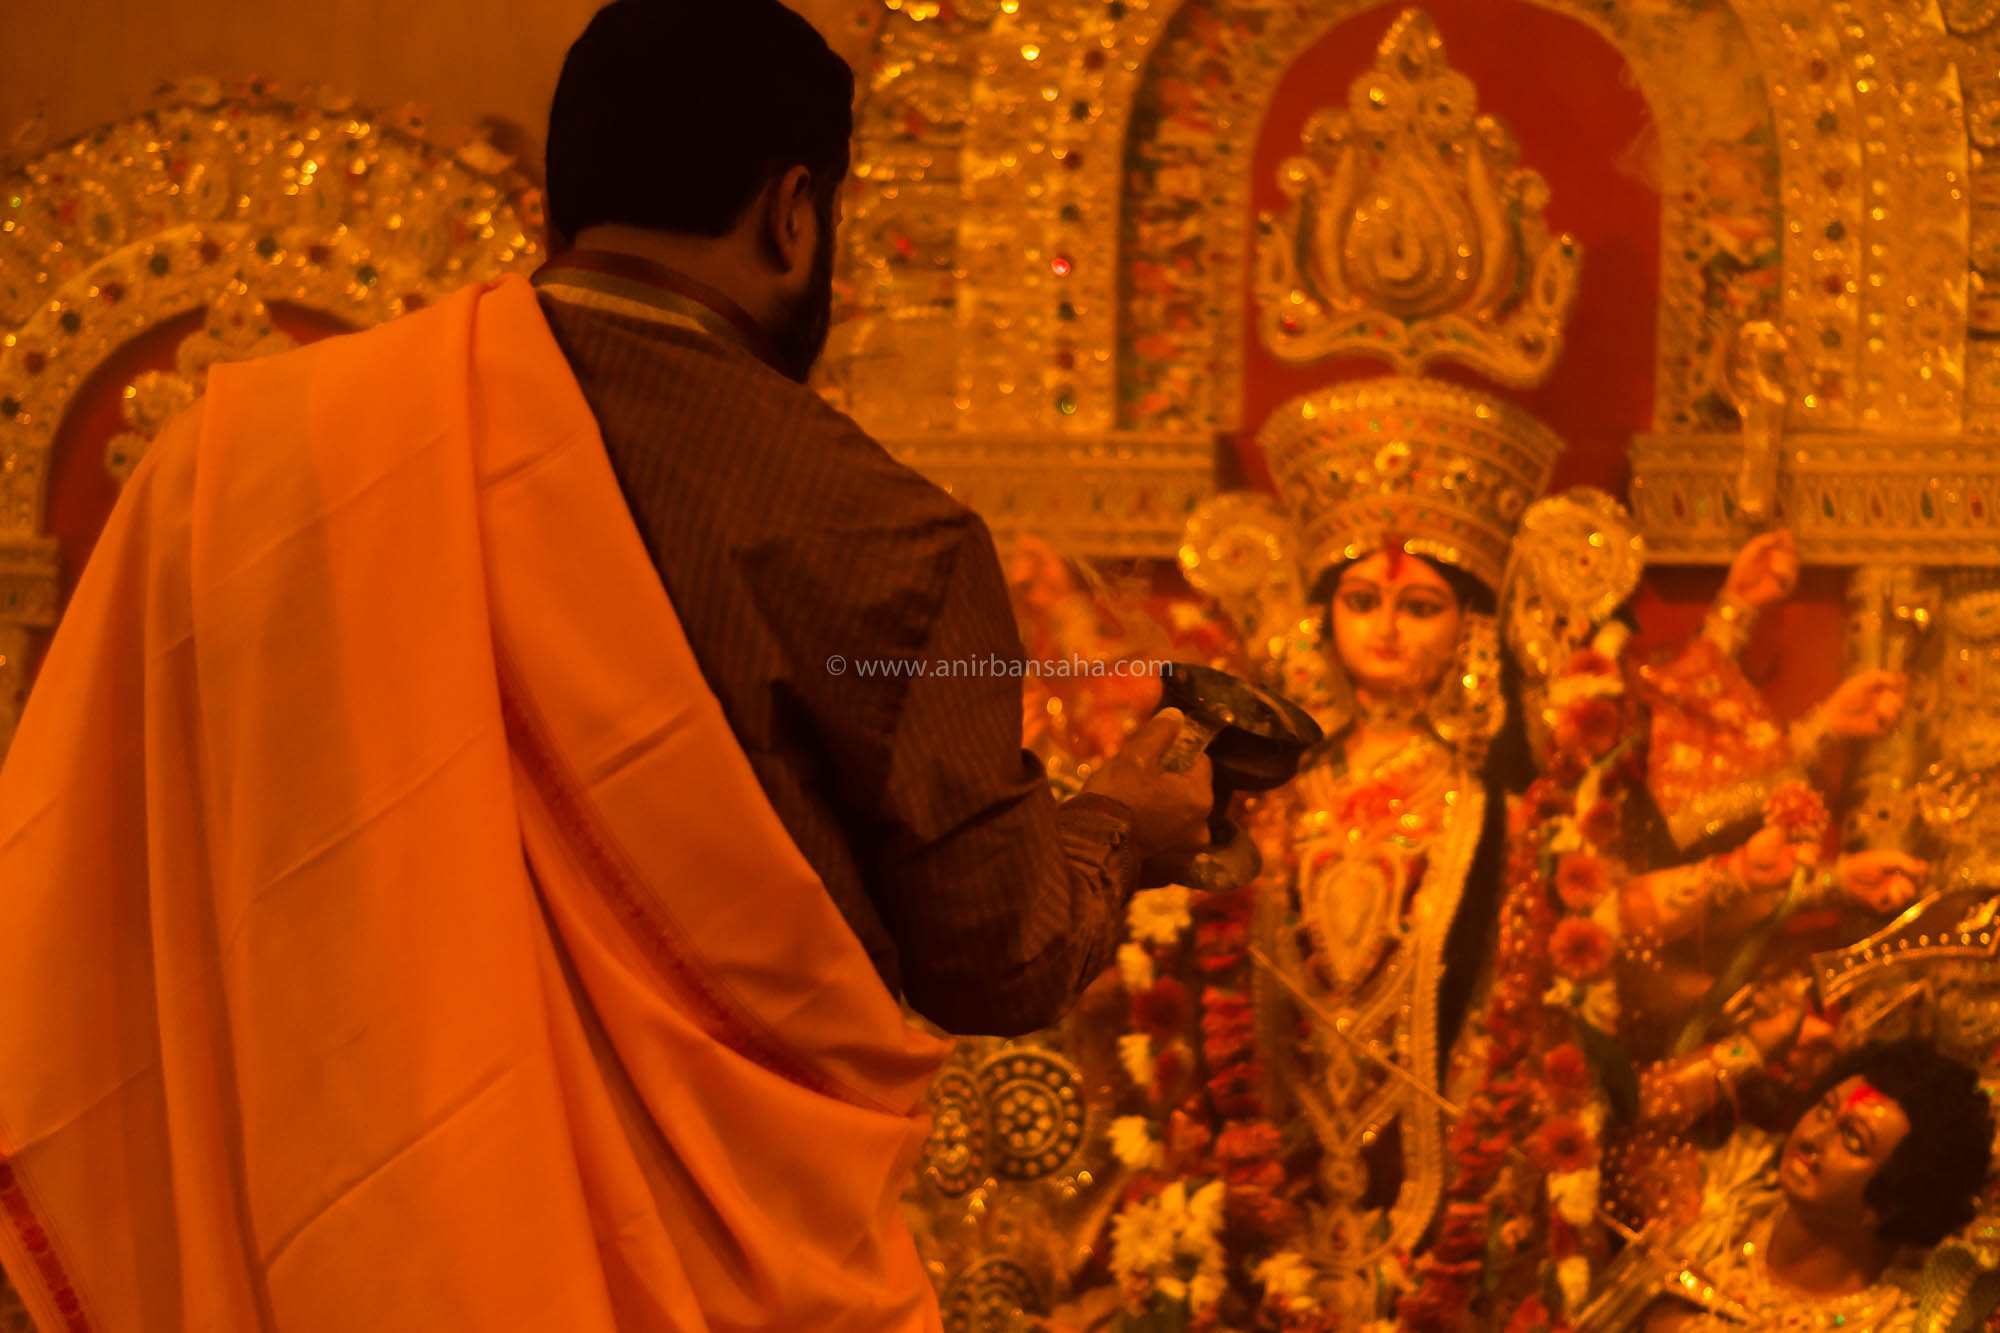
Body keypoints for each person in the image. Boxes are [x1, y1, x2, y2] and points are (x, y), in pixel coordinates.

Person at [0, 3, 1210, 1330]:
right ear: (795, 214)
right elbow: (1000, 953)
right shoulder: (887, 543)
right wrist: (1120, 829)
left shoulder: (234, 471)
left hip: (311, 1253)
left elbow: (76, 879)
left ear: (561, 205)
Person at [1581, 1039, 1996, 1333]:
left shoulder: (1897, 1323)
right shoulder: (1728, 1186)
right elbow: (1617, 1116)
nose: (1814, 1138)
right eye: (1824, 1109)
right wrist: (1750, 1047)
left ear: (1893, 1200)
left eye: (1852, 1140)